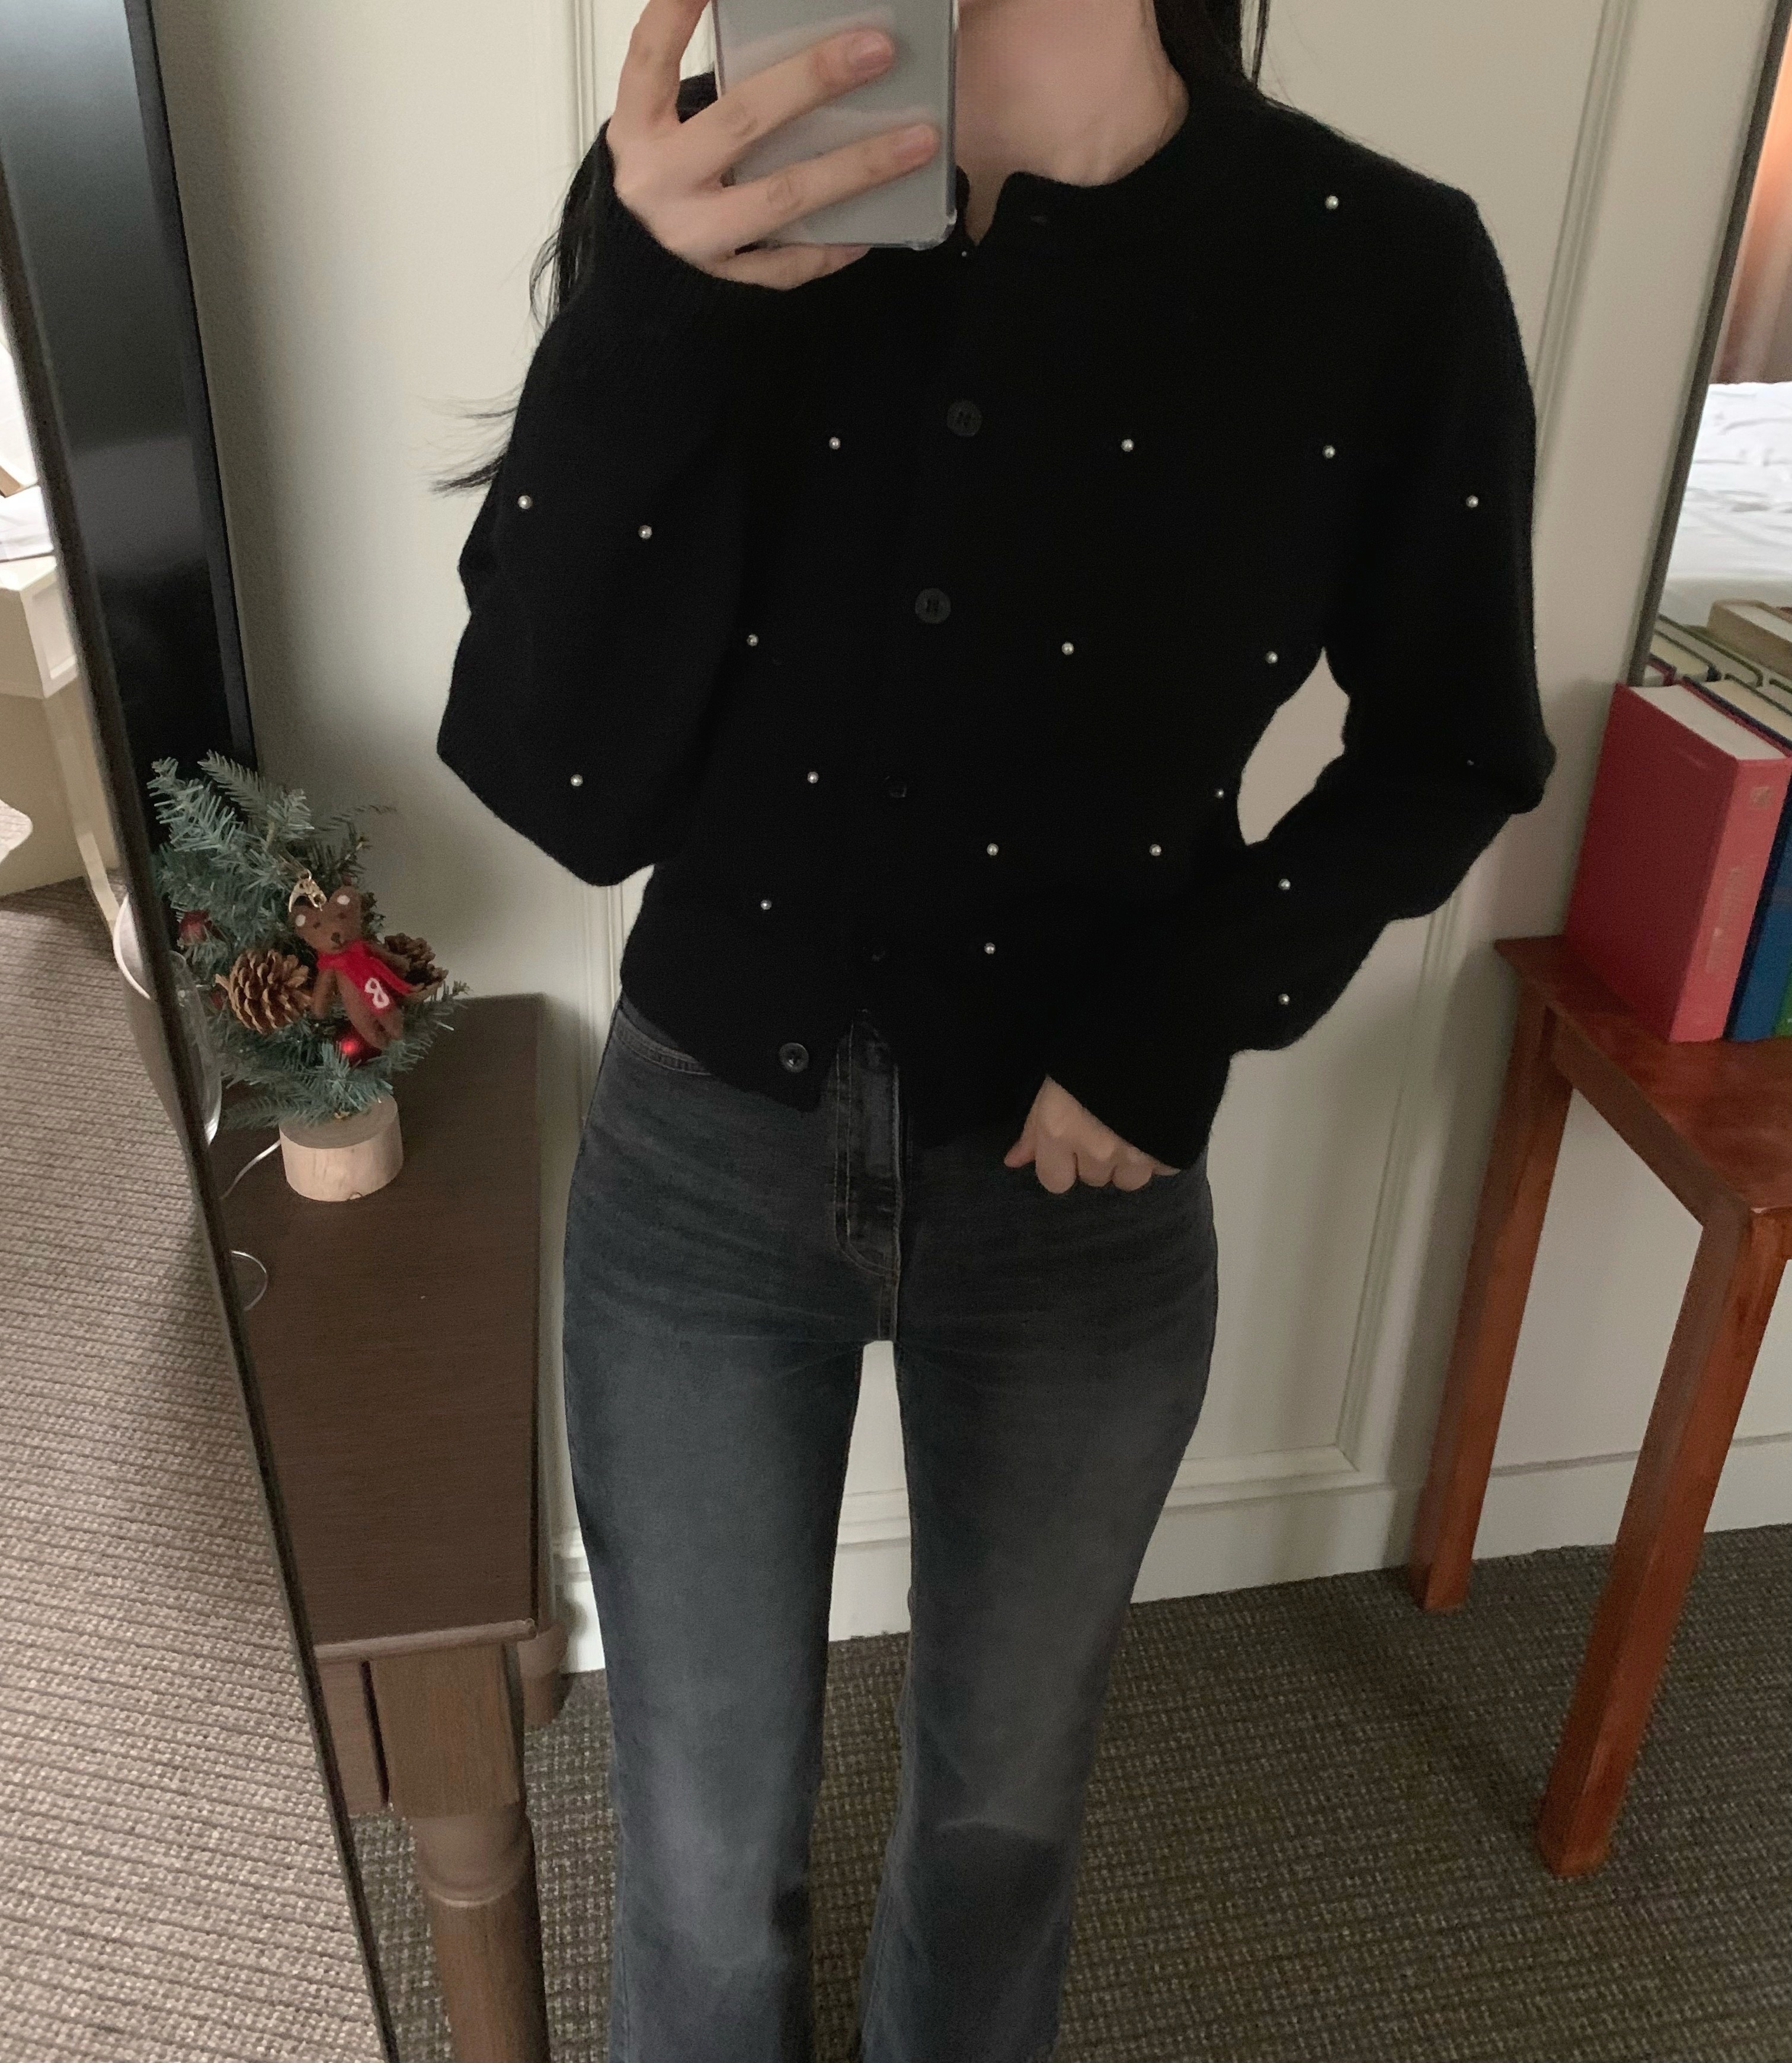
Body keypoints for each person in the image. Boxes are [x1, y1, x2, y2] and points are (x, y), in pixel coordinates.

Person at [436, 0, 1557, 2054]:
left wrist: (1187, 1010)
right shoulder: (713, 186)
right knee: (698, 1850)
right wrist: (648, 305)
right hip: (699, 1167)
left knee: (998, 1828)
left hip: (1079, 1201)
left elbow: (1455, 741)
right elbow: (554, 773)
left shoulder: (1380, 269)